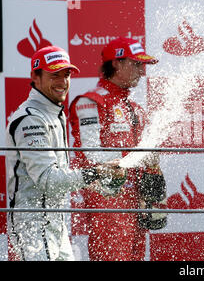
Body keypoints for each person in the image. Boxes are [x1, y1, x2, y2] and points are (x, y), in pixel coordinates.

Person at [5, 45, 126, 261]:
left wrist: (105, 184)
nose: (63, 82)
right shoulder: (30, 118)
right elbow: (49, 180)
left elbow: (61, 174)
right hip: (31, 228)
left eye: (67, 74)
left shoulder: (53, 113)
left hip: (56, 225)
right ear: (35, 76)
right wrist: (97, 172)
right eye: (54, 75)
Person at [68, 37, 167, 261]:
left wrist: (152, 177)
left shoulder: (135, 107)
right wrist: (127, 162)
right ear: (116, 64)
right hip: (108, 202)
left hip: (138, 203)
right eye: (136, 64)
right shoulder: (91, 102)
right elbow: (90, 153)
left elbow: (147, 158)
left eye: (143, 65)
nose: (142, 71)